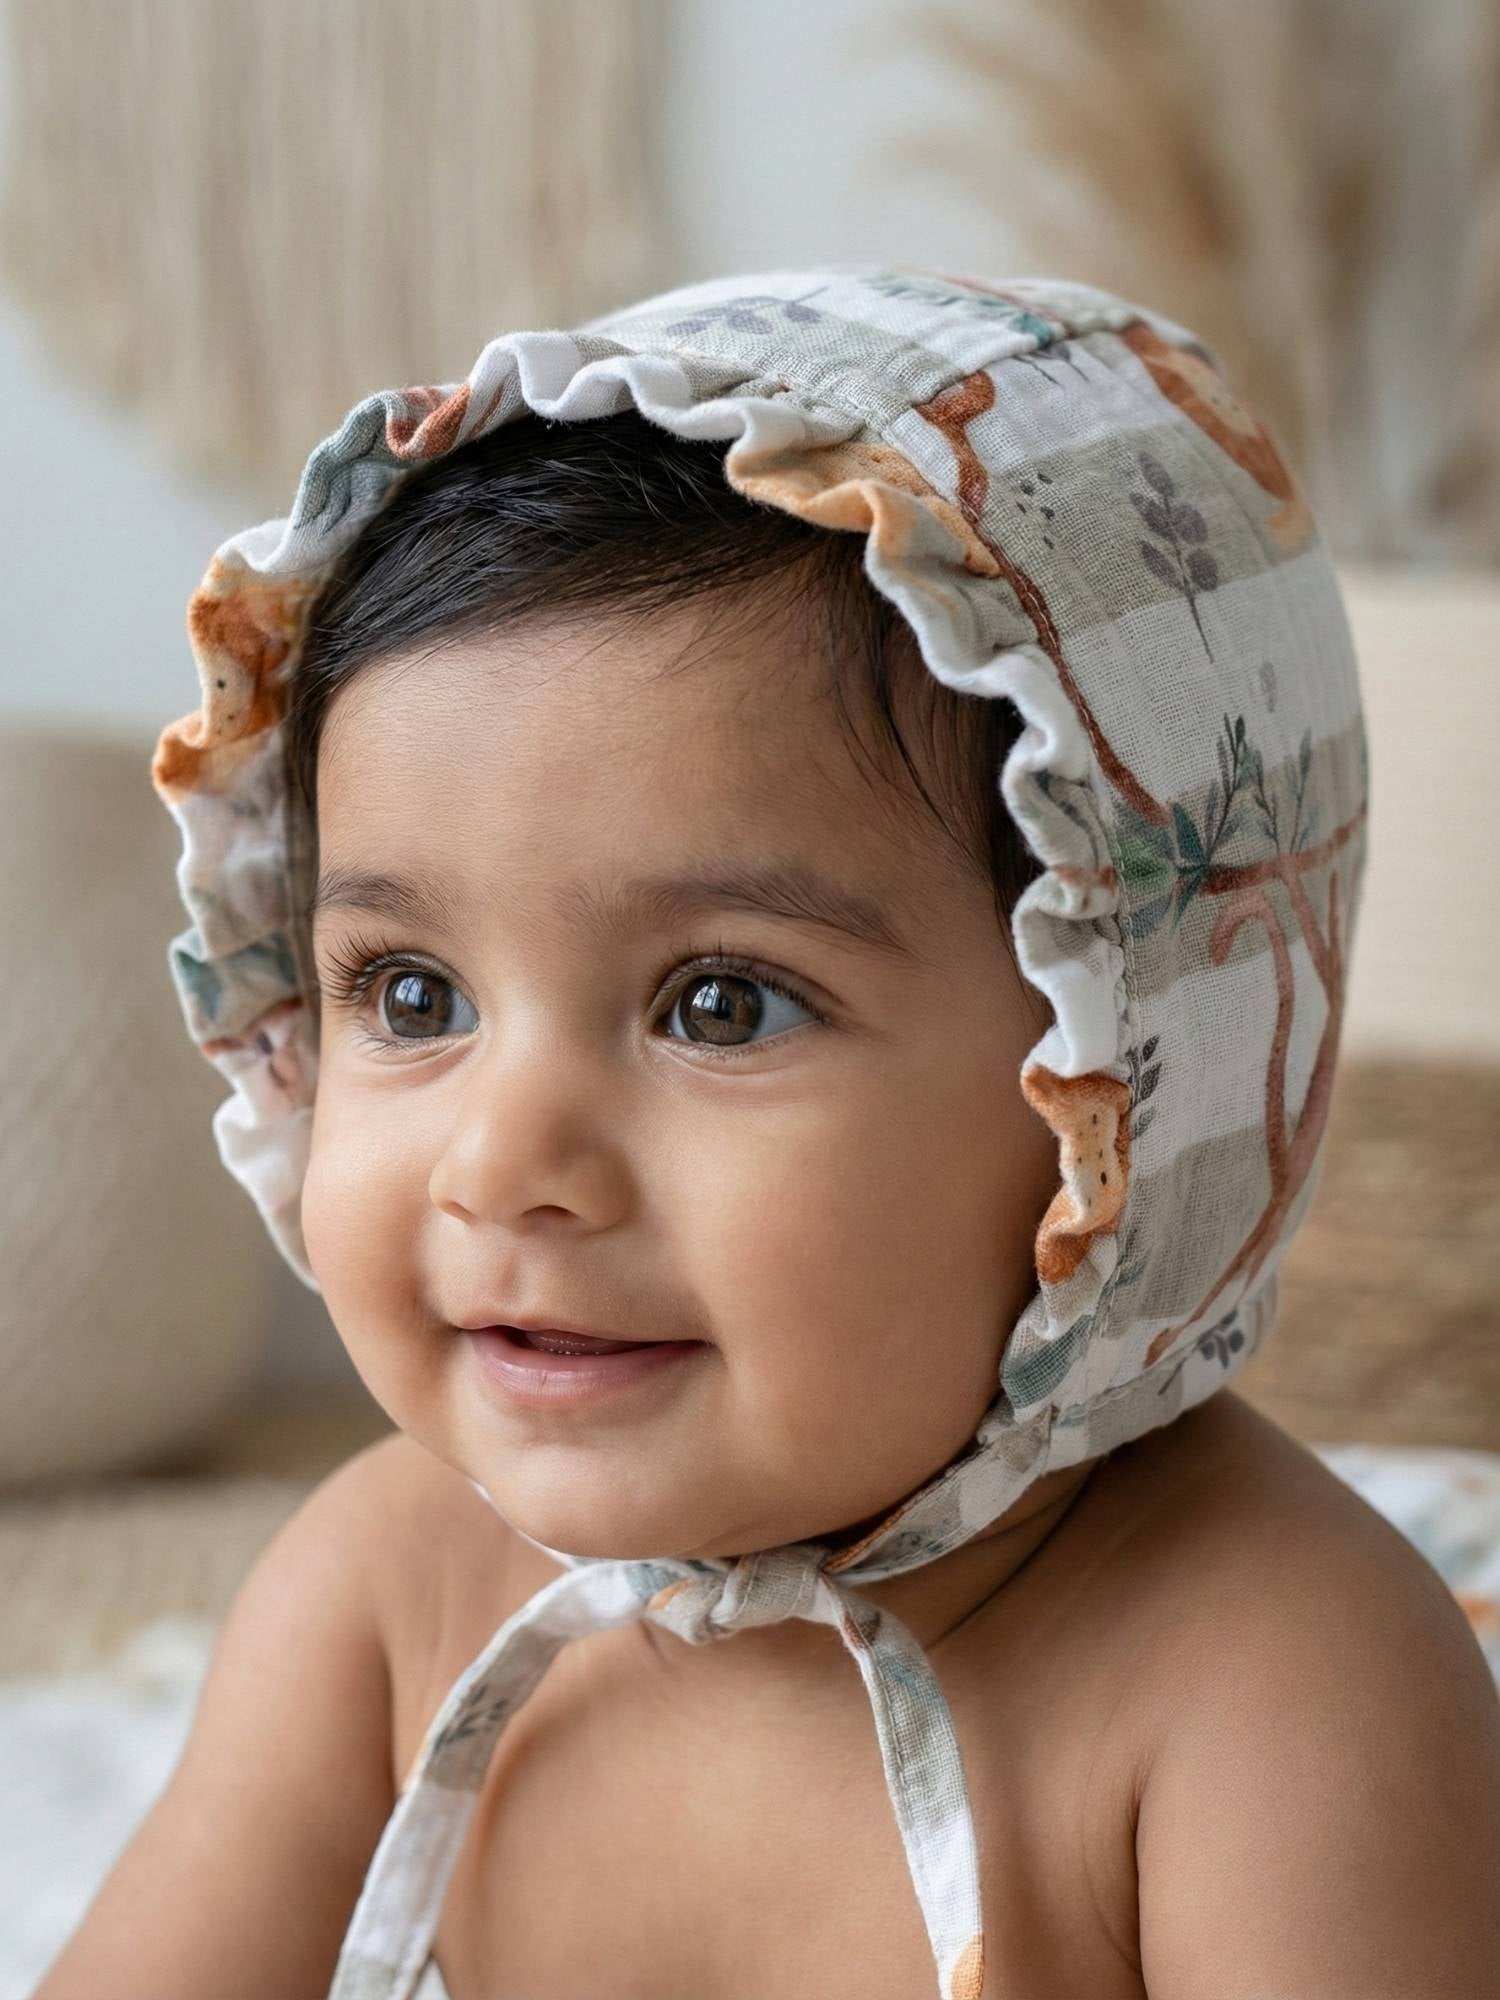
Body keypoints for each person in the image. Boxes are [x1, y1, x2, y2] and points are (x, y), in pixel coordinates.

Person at [39, 267, 1500, 1999]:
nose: (501, 1164)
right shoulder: (382, 1594)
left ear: (1120, 1083)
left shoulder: (1274, 1685)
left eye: (720, 1004)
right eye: (412, 995)